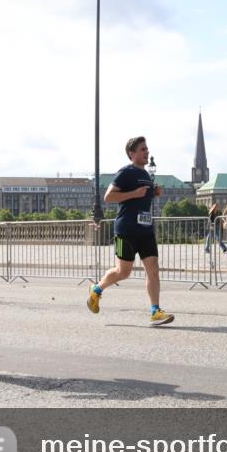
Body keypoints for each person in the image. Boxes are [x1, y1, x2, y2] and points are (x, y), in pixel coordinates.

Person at [87, 136, 174, 326]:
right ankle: (97, 289)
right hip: (126, 229)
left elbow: (143, 198)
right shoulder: (126, 172)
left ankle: (155, 311)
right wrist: (134, 194)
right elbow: (109, 196)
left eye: (147, 149)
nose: (146, 152)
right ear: (132, 154)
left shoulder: (147, 176)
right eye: (143, 149)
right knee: (123, 272)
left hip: (145, 229)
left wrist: (154, 192)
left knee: (153, 270)